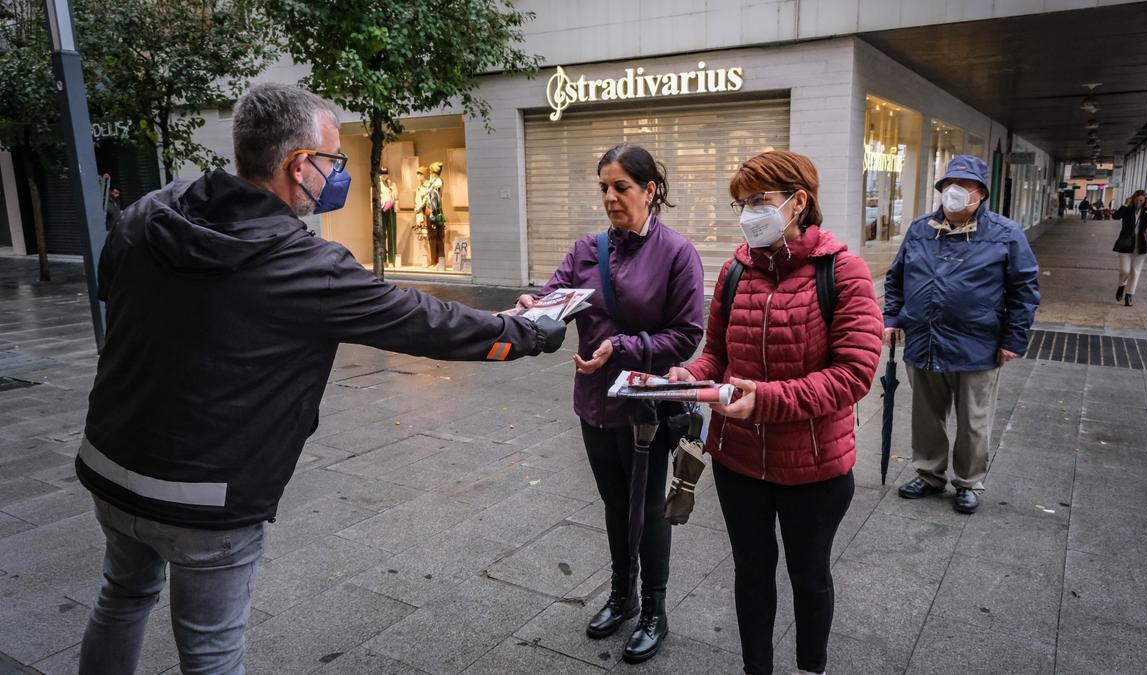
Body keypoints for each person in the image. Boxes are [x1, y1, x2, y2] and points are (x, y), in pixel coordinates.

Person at [75, 83, 566, 674]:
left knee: (122, 598)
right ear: (299, 166)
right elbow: (423, 322)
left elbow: (111, 289)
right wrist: (528, 331)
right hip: (206, 498)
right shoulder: (302, 265)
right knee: (210, 653)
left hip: (109, 466)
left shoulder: (150, 212)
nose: (339, 175)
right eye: (334, 162)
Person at [668, 150, 883, 675]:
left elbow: (853, 374)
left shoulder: (843, 271)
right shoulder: (735, 271)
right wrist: (688, 376)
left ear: (798, 202)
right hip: (739, 461)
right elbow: (718, 353)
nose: (747, 214)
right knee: (751, 574)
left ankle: (812, 665)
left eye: (759, 202)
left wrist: (767, 400)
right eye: (741, 204)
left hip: (813, 467)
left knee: (809, 578)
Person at [516, 143, 704, 664]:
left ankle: (654, 612)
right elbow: (555, 295)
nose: (610, 197)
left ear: (650, 190)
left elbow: (686, 335)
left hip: (645, 405)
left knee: (647, 508)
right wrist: (536, 303)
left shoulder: (677, 253)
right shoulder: (587, 248)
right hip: (595, 402)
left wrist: (620, 347)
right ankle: (622, 597)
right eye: (603, 187)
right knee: (614, 504)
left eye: (621, 187)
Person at [885, 155, 1040, 514]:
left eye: (965, 186)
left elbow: (1024, 288)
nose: (954, 192)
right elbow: (896, 277)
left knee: (974, 419)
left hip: (978, 342)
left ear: (981, 194)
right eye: (949, 185)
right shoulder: (920, 228)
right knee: (926, 414)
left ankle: (968, 482)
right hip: (924, 338)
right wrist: (892, 317)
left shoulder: (1004, 233)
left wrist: (1013, 339)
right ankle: (928, 473)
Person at [1112, 189, 1147, 307]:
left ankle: (1129, 295)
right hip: (1125, 243)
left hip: (1141, 244)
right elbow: (1115, 216)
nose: (1139, 202)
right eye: (1137, 200)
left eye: (1141, 200)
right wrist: (1124, 205)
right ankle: (1121, 285)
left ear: (1145, 201)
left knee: (1135, 271)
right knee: (1125, 270)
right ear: (1133, 199)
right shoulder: (1127, 209)